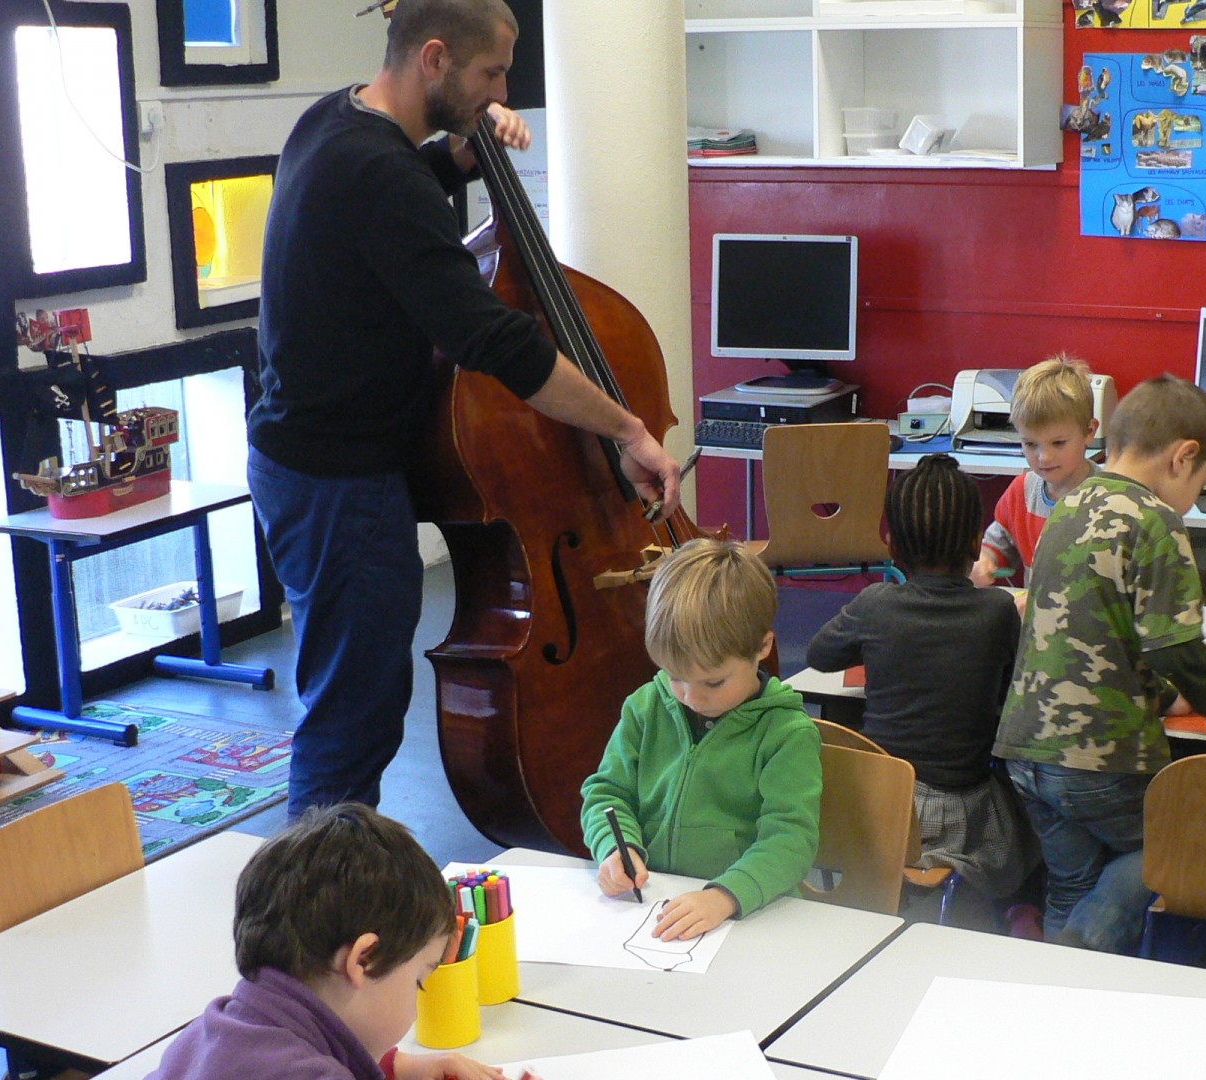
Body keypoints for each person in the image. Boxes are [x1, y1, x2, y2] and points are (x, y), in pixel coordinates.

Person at [250, 0, 681, 820]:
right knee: (353, 716)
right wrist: (627, 428)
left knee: (353, 702)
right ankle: (321, 888)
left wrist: (458, 156)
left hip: (305, 466)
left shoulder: (334, 122)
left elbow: (390, 207)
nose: (501, 94)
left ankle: (332, 871)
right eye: (492, 73)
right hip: (338, 484)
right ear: (436, 58)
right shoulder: (383, 175)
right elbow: (497, 342)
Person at [993, 376, 1206, 954]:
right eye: (1201, 482)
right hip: (1098, 756)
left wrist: (1163, 698)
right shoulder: (1156, 521)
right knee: (1182, 837)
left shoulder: (1067, 503)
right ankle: (1083, 949)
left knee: (1072, 881)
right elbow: (1174, 652)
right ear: (1182, 457)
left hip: (1024, 749)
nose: (1193, 497)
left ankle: (1052, 980)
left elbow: (1094, 640)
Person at [806, 455, 1038, 916]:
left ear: (892, 544)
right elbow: (1013, 688)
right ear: (975, 543)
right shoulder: (996, 611)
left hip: (877, 805)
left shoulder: (875, 604)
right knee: (1038, 830)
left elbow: (819, 655)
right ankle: (1021, 917)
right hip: (960, 817)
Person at [149, 803, 522, 1080]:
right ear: (364, 959)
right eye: (418, 982)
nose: (416, 1007)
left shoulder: (205, 1035)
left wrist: (398, 1067)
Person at [580, 540, 822, 942]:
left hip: (749, 917)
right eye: (676, 677)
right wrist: (615, 847)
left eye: (713, 682)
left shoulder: (786, 733)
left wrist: (724, 896)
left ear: (763, 647)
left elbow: (790, 840)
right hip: (654, 906)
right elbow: (607, 793)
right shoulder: (645, 707)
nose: (691, 697)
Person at [970, 355, 1099, 587]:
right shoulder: (1022, 491)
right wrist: (986, 561)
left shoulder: (1109, 497)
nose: (1044, 457)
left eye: (1058, 443)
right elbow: (997, 544)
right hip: (1034, 609)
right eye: (1030, 444)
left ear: (1089, 432)